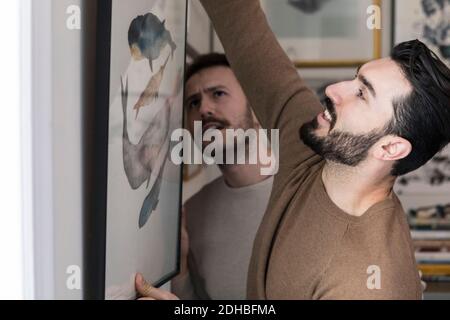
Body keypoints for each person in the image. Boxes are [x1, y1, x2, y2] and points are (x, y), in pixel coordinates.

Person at [188, 0, 449, 300]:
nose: (333, 90)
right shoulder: (313, 149)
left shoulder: (363, 287)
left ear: (390, 147)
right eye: (354, 79)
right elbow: (243, 29)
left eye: (362, 94)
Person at [136, 53, 274, 300]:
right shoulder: (192, 214)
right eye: (193, 103)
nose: (204, 109)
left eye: (218, 94)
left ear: (255, 108)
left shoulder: (306, 192)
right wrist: (180, 272)